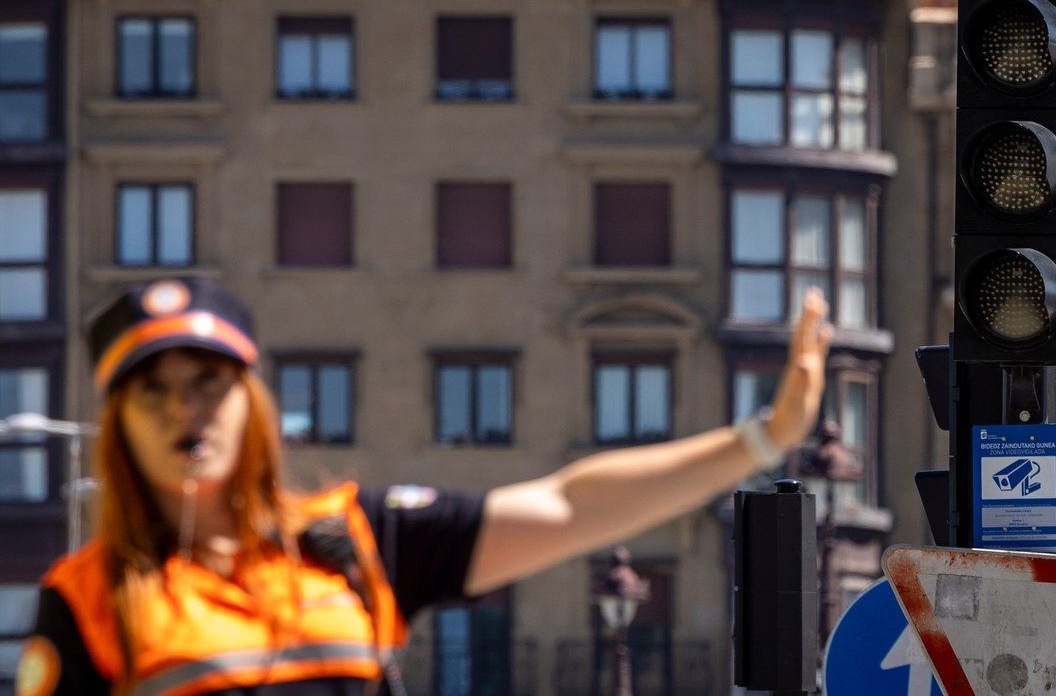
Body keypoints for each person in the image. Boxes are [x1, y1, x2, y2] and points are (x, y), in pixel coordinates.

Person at [15, 276, 832, 696]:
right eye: (150, 390)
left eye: (206, 381)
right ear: (116, 422)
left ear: (251, 403)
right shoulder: (87, 597)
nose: (182, 409)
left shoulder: (349, 540)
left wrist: (763, 436)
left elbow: (569, 504)